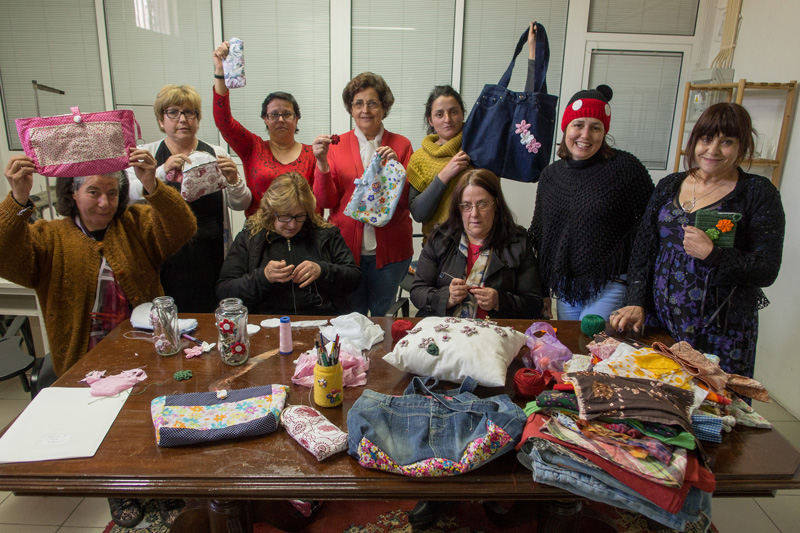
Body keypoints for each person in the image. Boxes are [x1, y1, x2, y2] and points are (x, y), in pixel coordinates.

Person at [0, 151, 196, 528]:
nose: (104, 202)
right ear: (72, 193)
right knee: (104, 426)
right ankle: (118, 489)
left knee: (153, 417)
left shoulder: (135, 224)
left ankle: (165, 486)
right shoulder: (48, 236)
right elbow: (6, 254)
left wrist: (152, 185)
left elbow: (181, 227)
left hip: (146, 349)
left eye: (112, 192)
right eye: (93, 192)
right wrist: (17, 199)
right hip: (86, 356)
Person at [611, 103, 785, 379]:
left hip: (721, 331)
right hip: (662, 324)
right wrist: (636, 300)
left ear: (742, 147)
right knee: (658, 394)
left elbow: (767, 269)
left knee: (712, 400)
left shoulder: (758, 193)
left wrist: (714, 254)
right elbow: (644, 249)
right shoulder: (669, 185)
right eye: (706, 139)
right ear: (694, 142)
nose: (713, 150)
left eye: (726, 142)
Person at [528, 84, 653, 321]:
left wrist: (638, 293)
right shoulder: (551, 176)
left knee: (592, 338)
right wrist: (543, 291)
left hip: (610, 281)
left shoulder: (625, 169)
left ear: (604, 132)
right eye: (578, 125)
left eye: (595, 127)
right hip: (567, 287)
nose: (585, 135)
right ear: (566, 128)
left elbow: (648, 227)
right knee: (572, 342)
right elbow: (542, 238)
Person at [408, 22, 541, 245]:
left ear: (463, 114)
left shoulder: (483, 145)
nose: (447, 119)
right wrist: (445, 174)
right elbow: (419, 213)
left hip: (483, 246)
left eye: (454, 112)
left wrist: (532, 55)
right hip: (438, 250)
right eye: (439, 114)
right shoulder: (419, 158)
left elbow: (525, 113)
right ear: (430, 120)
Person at [127, 84, 251, 313]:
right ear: (161, 121)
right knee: (168, 316)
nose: (182, 119)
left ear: (197, 119)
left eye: (189, 112)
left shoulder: (216, 153)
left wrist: (234, 179)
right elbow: (126, 196)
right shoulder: (148, 155)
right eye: (173, 112)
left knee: (211, 316)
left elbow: (241, 203)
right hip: (165, 257)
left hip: (211, 254)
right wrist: (161, 171)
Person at [312, 72, 413, 316]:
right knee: (351, 317)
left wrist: (395, 170)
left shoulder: (402, 145)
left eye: (372, 103)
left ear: (384, 107)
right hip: (345, 251)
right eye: (358, 103)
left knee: (381, 317)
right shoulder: (335, 147)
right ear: (350, 108)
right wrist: (322, 162)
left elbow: (407, 202)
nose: (365, 110)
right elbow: (326, 201)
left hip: (391, 252)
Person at [216, 172, 361, 315]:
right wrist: (263, 277)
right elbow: (225, 290)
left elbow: (354, 279)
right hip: (267, 319)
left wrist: (322, 271)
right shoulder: (250, 237)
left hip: (320, 316)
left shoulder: (325, 234)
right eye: (285, 217)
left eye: (299, 216)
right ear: (271, 211)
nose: (292, 225)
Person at [411, 169, 542, 319]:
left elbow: (534, 303)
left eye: (482, 204)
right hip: (445, 328)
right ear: (458, 208)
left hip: (496, 329)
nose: (474, 214)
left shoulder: (518, 243)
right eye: (466, 205)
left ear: (496, 204)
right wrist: (447, 297)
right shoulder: (440, 239)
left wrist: (499, 301)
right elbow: (417, 292)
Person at [213, 41, 316, 217]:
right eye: (274, 114)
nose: (281, 119)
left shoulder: (312, 155)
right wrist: (220, 72)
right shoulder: (253, 147)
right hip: (258, 231)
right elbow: (223, 121)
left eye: (287, 114)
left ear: (296, 118)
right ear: (265, 119)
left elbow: (316, 205)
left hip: (300, 231)